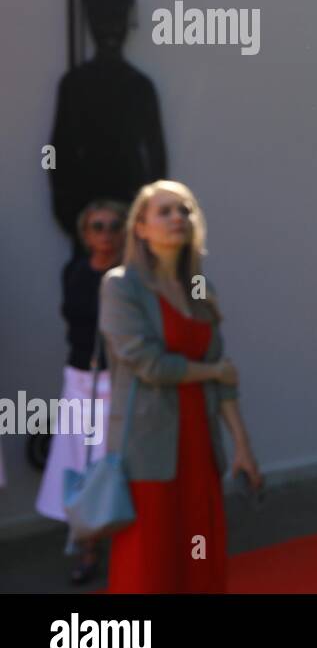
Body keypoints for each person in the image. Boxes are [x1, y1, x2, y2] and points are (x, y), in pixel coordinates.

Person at [100, 179, 262, 593]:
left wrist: (242, 446)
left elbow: (224, 376)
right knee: (150, 562)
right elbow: (150, 365)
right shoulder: (121, 286)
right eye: (165, 211)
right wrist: (212, 373)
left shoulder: (200, 290)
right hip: (147, 449)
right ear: (140, 227)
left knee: (200, 554)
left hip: (199, 446)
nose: (177, 218)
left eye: (185, 211)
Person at [35, 198, 128, 583]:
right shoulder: (73, 271)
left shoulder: (130, 276)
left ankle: (127, 547)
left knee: (117, 464)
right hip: (78, 380)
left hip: (118, 382)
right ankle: (88, 548)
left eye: (112, 226)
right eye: (97, 227)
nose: (104, 234)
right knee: (81, 463)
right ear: (85, 234)